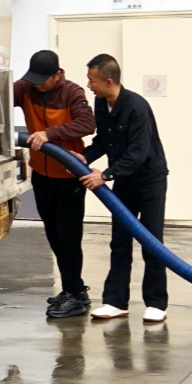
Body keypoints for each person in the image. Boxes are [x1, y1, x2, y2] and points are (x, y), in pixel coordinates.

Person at [78, 53, 171, 323]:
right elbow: (103, 140)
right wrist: (84, 157)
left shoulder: (137, 107)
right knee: (119, 241)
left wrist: (105, 175)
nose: (89, 85)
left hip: (150, 181)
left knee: (151, 242)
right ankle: (115, 302)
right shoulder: (101, 103)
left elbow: (138, 152)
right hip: (124, 181)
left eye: (92, 80)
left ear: (108, 81)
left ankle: (156, 303)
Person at [14, 49, 97, 319]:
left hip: (69, 177)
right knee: (53, 235)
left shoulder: (72, 92)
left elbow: (87, 124)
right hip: (42, 174)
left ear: (57, 74)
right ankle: (75, 289)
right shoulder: (26, 88)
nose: (37, 85)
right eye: (34, 80)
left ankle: (74, 295)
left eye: (43, 80)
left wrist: (49, 134)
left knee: (68, 238)